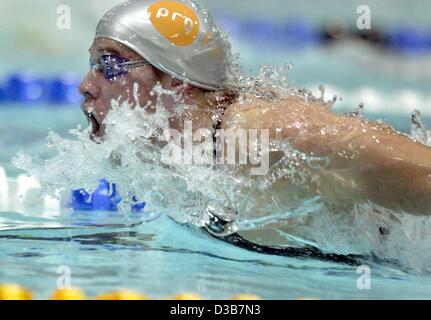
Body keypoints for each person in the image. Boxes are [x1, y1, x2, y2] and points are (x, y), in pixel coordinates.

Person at [79, 0, 431, 262]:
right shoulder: (167, 151)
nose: (85, 85)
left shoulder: (271, 136)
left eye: (110, 65)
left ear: (177, 82)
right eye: (93, 64)